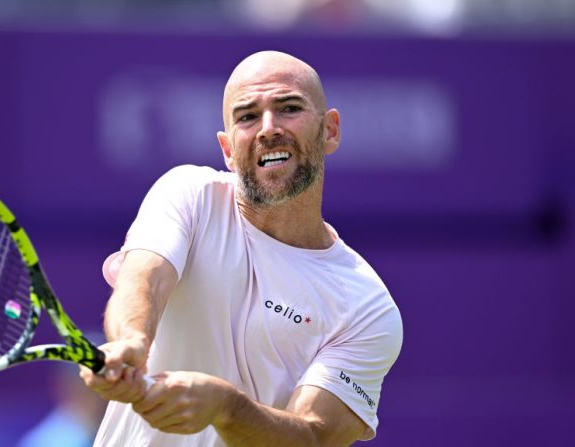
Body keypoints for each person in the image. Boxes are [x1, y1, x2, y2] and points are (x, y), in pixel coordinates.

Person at [80, 50, 403, 446]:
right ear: (228, 149)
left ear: (330, 130)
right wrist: (131, 341)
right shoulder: (188, 193)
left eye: (288, 108)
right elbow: (144, 281)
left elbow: (315, 437)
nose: (268, 128)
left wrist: (226, 407)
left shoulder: (367, 307)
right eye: (247, 116)